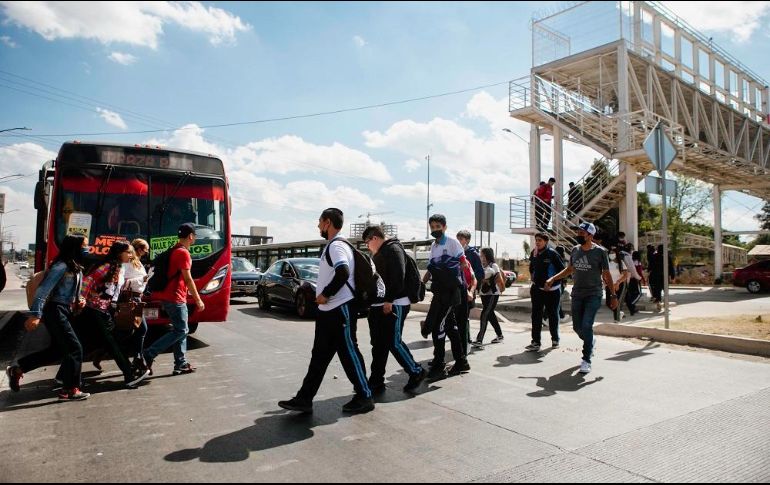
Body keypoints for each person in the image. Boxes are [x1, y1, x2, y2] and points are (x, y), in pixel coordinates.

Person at [279, 208, 374, 414]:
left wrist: (325, 294)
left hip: (339, 309)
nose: (318, 225)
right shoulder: (332, 246)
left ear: (328, 223)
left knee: (349, 353)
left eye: (320, 221)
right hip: (328, 311)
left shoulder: (337, 247)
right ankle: (304, 398)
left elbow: (343, 272)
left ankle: (365, 396)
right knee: (319, 356)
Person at [10, 235, 90, 400]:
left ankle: (19, 369)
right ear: (74, 247)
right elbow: (43, 291)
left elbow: (70, 292)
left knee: (58, 350)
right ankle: (70, 389)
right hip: (55, 310)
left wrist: (78, 300)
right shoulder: (61, 266)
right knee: (75, 348)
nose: (88, 249)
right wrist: (35, 314)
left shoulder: (75, 267)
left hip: (65, 310)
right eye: (85, 246)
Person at [545, 222, 618, 374]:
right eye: (577, 232)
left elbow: (606, 274)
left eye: (581, 233)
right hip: (577, 294)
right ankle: (590, 341)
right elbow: (570, 269)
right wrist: (553, 278)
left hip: (594, 294)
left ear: (590, 236)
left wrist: (613, 295)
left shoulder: (600, 252)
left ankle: (586, 359)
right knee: (577, 328)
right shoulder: (574, 250)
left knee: (586, 325)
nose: (578, 235)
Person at [361, 226, 427, 393]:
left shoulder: (393, 248)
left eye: (367, 242)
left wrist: (389, 300)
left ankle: (416, 371)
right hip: (384, 303)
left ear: (374, 238)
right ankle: (376, 381)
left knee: (393, 341)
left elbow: (399, 276)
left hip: (395, 302)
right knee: (379, 344)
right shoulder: (381, 252)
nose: (367, 246)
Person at [80, 240, 149, 388]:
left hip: (106, 310)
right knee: (113, 343)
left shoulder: (120, 267)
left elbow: (116, 290)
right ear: (119, 253)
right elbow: (88, 281)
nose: (131, 255)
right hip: (96, 310)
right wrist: (82, 298)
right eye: (128, 252)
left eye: (131, 252)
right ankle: (129, 375)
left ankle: (64, 376)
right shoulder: (108, 266)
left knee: (86, 343)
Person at [141, 223, 205, 376]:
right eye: (194, 235)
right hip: (175, 297)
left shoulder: (174, 249)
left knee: (180, 330)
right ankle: (148, 354)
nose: (194, 238)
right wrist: (198, 300)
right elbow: (188, 279)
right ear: (190, 236)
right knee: (181, 330)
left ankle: (180, 364)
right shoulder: (183, 253)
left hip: (168, 296)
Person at [421, 214, 469, 380]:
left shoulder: (452, 243)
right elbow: (431, 268)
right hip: (439, 291)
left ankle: (440, 365)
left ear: (444, 227)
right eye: (432, 227)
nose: (435, 230)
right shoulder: (434, 247)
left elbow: (464, 263)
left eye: (437, 226)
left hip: (450, 292)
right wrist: (422, 283)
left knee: (438, 326)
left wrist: (463, 285)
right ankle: (461, 362)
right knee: (449, 326)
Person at [526, 233, 565, 351]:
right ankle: (536, 342)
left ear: (546, 242)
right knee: (536, 316)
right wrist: (532, 275)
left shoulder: (552, 254)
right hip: (537, 289)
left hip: (552, 291)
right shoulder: (534, 252)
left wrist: (552, 283)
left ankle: (555, 340)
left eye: (540, 240)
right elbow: (532, 266)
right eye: (536, 240)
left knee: (553, 315)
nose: (537, 242)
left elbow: (562, 271)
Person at [472, 247, 506, 348]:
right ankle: (500, 335)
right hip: (484, 293)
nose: (480, 256)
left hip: (492, 293)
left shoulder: (493, 265)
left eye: (482, 255)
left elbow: (498, 277)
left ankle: (479, 340)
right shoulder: (481, 266)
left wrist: (488, 281)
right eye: (480, 255)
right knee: (490, 314)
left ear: (487, 255)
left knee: (485, 314)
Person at [456, 230, 481, 353]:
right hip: (456, 291)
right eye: (458, 238)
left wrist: (473, 289)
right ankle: (463, 340)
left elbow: (479, 273)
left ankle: (466, 341)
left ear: (467, 241)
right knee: (459, 317)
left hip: (468, 291)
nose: (459, 241)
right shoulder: (455, 252)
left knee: (464, 317)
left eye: (461, 239)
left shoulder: (473, 254)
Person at [606, 246, 629, 321]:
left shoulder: (621, 263)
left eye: (613, 252)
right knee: (608, 303)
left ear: (616, 254)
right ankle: (620, 313)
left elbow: (625, 275)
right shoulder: (607, 263)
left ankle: (616, 320)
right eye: (610, 253)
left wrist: (618, 282)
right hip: (610, 285)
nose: (611, 254)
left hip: (620, 285)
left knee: (617, 303)